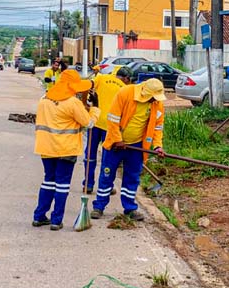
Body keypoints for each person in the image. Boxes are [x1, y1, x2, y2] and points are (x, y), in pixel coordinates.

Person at [32, 69, 100, 230]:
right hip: (66, 149)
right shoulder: (72, 103)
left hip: (46, 148)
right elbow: (88, 123)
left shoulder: (44, 99)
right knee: (62, 184)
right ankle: (56, 220)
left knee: (48, 180)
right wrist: (95, 108)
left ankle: (39, 216)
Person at [91, 78, 166, 222]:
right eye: (152, 98)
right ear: (145, 92)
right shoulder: (126, 93)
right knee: (107, 175)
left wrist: (157, 146)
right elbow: (112, 119)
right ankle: (99, 206)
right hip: (115, 143)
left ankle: (130, 208)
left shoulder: (157, 104)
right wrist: (118, 139)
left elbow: (157, 127)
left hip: (137, 146)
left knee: (132, 177)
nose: (154, 101)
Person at [82, 66, 132, 194]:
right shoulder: (126, 89)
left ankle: (88, 184)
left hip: (96, 121)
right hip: (111, 127)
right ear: (126, 78)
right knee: (108, 158)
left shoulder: (101, 78)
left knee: (90, 154)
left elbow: (85, 86)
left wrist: (85, 105)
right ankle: (105, 186)